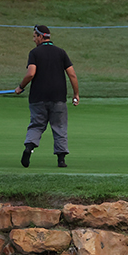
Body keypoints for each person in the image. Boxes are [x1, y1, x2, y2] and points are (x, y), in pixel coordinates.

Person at [15, 25, 79, 168]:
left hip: (38, 97)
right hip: (58, 97)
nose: (34, 40)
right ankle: (61, 160)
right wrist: (76, 94)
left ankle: (29, 148)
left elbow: (31, 74)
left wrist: (20, 87)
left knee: (36, 126)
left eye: (34, 36)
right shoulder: (61, 52)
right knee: (59, 127)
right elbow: (72, 75)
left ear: (41, 36)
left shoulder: (34, 53)